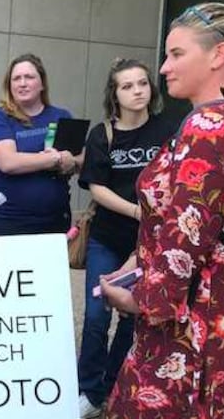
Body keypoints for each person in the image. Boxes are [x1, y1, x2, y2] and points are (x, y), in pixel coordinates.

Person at [100, 2, 224, 418]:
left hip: (195, 337)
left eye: (177, 54)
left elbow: (183, 246)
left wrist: (132, 298)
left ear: (218, 55)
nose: (164, 68)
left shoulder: (209, 129)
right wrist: (137, 261)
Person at [75, 58, 172, 418]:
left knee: (132, 318)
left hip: (149, 243)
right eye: (127, 86)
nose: (137, 91)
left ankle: (113, 384)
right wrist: (135, 211)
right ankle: (88, 390)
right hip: (108, 238)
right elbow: (96, 188)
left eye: (142, 84)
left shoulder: (168, 129)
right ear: (114, 94)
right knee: (98, 315)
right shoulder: (103, 134)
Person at [0, 53, 79, 236]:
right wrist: (54, 158)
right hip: (7, 220)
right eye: (16, 78)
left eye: (29, 77)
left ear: (42, 83)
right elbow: (8, 163)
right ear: (9, 86)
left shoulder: (61, 116)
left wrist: (71, 161)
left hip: (54, 221)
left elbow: (79, 158)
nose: (22, 83)